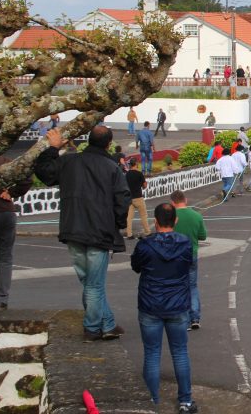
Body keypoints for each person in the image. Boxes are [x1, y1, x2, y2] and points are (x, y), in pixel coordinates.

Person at [34, 126, 130, 341]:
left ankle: (108, 323)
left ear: (88, 141)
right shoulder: (111, 167)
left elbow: (43, 171)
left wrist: (53, 148)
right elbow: (123, 199)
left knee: (89, 282)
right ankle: (93, 328)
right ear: (108, 144)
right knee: (94, 284)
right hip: (100, 231)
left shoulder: (69, 162)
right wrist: (117, 224)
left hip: (73, 229)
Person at [131, 203, 197, 413]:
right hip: (177, 305)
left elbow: (136, 267)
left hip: (151, 304)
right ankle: (185, 401)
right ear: (175, 220)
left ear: (156, 221)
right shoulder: (185, 244)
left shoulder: (145, 245)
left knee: (151, 353)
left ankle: (151, 401)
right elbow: (189, 264)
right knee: (179, 352)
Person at [0, 154, 32, 310]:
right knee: (6, 258)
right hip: (6, 212)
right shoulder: (4, 160)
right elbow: (26, 177)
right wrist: (12, 193)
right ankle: (2, 299)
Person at [170, 190, 207, 330]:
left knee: (178, 286)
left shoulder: (171, 217)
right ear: (185, 200)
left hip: (175, 254)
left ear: (172, 202)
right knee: (192, 286)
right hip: (191, 253)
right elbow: (203, 236)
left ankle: (182, 318)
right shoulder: (196, 216)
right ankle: (195, 317)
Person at [125, 158, 151, 239]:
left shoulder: (127, 174)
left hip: (130, 198)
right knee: (143, 215)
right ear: (136, 164)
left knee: (129, 217)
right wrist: (145, 183)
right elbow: (144, 186)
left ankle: (129, 234)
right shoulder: (139, 174)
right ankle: (147, 232)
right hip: (138, 197)